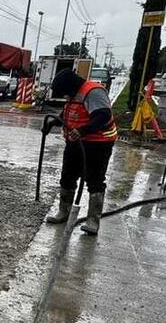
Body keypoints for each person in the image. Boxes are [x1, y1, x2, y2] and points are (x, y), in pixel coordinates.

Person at [43, 68, 118, 235]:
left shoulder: (93, 92)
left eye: (64, 93)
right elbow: (69, 113)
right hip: (75, 142)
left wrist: (83, 131)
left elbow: (103, 115)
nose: (64, 96)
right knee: (67, 176)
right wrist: (53, 123)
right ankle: (64, 211)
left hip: (98, 143)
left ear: (70, 86)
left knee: (95, 180)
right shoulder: (73, 93)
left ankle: (93, 221)